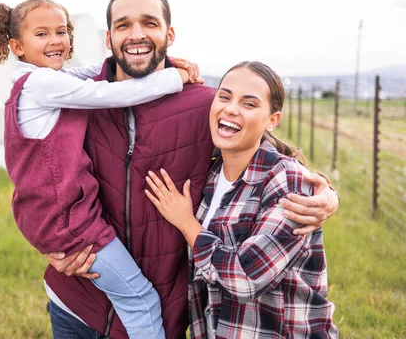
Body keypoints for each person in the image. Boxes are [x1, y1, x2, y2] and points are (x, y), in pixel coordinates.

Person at [45, 0, 340, 339]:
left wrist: (325, 195)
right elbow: (34, 174)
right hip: (77, 303)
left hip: (158, 313)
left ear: (168, 34)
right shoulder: (75, 99)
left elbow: (254, 142)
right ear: (109, 38)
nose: (137, 34)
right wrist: (49, 244)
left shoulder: (203, 104)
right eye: (124, 25)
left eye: (149, 23)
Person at [0, 0, 204, 338]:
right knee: (141, 300)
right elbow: (110, 94)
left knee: (134, 298)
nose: (55, 40)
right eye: (42, 34)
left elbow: (90, 73)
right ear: (16, 45)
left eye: (61, 31)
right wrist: (174, 77)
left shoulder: (39, 79)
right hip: (68, 220)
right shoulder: (42, 85)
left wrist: (164, 62)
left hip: (55, 215)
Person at [145, 61, 338, 338]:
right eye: (224, 97)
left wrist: (187, 223)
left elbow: (246, 278)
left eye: (249, 104)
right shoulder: (209, 174)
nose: (231, 109)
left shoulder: (286, 180)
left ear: (272, 120)